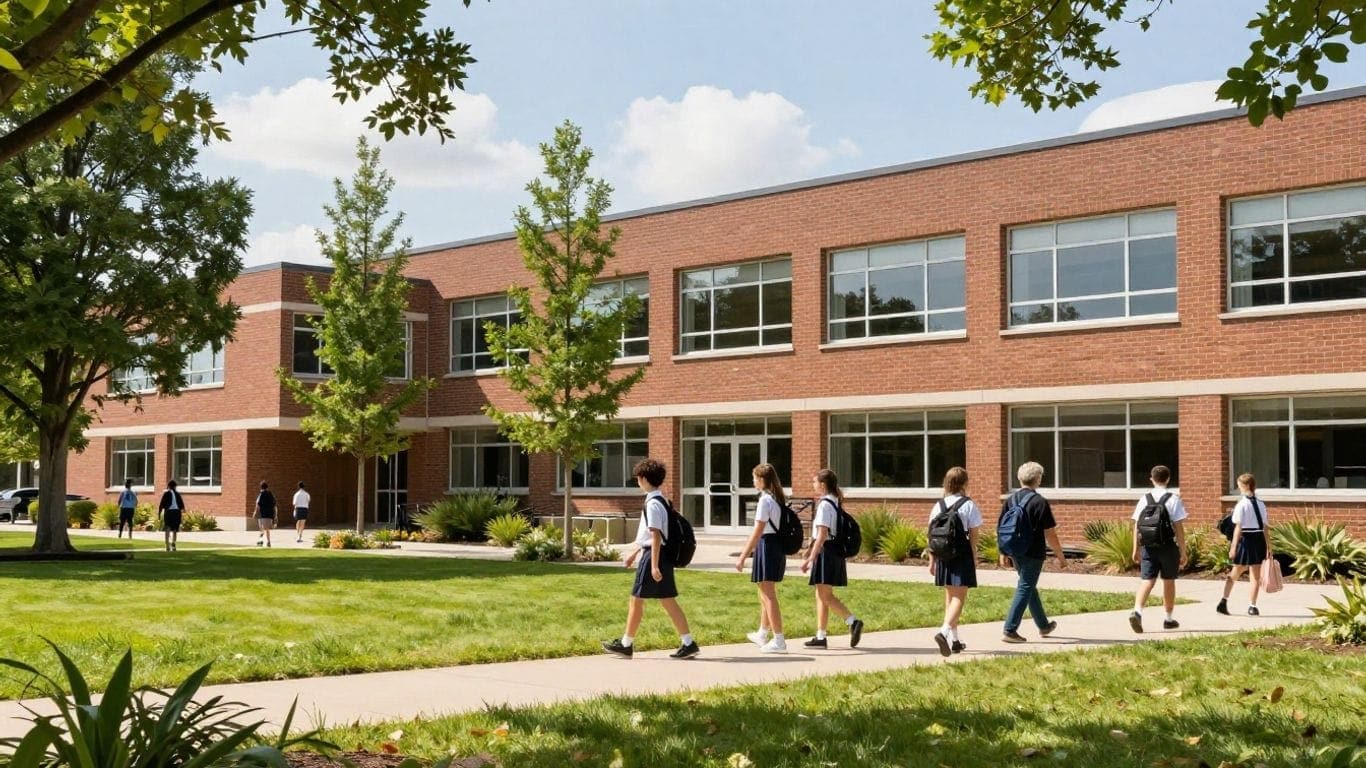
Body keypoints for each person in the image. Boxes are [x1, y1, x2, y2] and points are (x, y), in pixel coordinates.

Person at [602, 458, 700, 660]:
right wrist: (634, 554)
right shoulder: (661, 500)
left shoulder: (653, 503)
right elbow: (650, 536)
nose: (638, 481)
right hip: (656, 555)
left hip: (655, 557)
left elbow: (656, 536)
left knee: (637, 600)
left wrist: (654, 565)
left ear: (644, 479)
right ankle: (688, 642)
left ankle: (626, 644)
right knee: (666, 601)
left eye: (638, 478)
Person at [999, 461, 1067, 643]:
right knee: (1026, 587)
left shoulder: (1010, 500)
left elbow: (1001, 527)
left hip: (1015, 550)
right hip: (1033, 552)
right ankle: (1010, 629)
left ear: (1019, 478)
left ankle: (1043, 625)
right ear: (1038, 479)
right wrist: (1061, 556)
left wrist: (1003, 552)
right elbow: (1050, 533)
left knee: (1028, 585)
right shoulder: (1039, 502)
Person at [800, 469, 863, 649]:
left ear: (823, 484)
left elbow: (822, 534)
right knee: (822, 595)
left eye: (814, 482)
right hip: (833, 552)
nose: (813, 485)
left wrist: (810, 558)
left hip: (826, 553)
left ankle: (853, 621)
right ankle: (821, 636)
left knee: (824, 595)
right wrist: (810, 550)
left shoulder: (825, 504)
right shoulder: (834, 502)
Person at [928, 467, 981, 656]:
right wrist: (974, 554)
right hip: (961, 554)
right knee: (959, 596)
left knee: (950, 597)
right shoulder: (968, 505)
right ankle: (943, 632)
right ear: (965, 483)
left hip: (943, 555)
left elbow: (932, 535)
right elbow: (974, 534)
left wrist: (931, 559)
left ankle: (955, 640)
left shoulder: (939, 505)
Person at [736, 463, 788, 653]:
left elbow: (757, 531)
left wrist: (742, 556)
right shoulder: (776, 499)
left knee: (768, 596)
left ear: (761, 480)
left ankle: (779, 641)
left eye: (754, 478)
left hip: (767, 546)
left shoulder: (765, 501)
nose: (752, 481)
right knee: (764, 593)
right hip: (774, 546)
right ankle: (762, 633)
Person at [1129, 465, 1188, 633]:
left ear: (1151, 479)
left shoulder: (1144, 498)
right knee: (1168, 581)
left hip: (1148, 546)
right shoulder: (1173, 499)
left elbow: (1136, 526)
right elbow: (1178, 527)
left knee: (1147, 581)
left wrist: (1136, 549)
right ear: (1168, 479)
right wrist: (1183, 551)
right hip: (1167, 546)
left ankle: (1137, 611)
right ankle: (1168, 619)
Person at [1218, 472, 1273, 617]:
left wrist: (1233, 547)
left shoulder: (1242, 504)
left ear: (1246, 485)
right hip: (1257, 538)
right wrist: (1269, 546)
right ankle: (1250, 605)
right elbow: (1265, 527)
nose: (1239, 488)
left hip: (1247, 539)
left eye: (1239, 485)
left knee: (1240, 573)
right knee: (1251, 574)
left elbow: (1238, 528)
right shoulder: (1261, 504)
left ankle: (1227, 601)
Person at [158, 480, 186, 552]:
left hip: (169, 512)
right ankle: (173, 543)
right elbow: (181, 504)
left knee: (167, 528)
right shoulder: (177, 494)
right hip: (176, 512)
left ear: (169, 486)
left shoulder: (166, 494)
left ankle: (167, 545)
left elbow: (162, 504)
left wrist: (159, 513)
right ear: (174, 486)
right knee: (175, 529)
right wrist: (183, 511)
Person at [254, 481, 277, 547]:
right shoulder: (271, 495)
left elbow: (258, 504)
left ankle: (261, 541)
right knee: (267, 529)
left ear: (261, 487)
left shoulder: (261, 495)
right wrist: (275, 515)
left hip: (262, 514)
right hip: (270, 514)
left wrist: (255, 512)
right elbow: (275, 505)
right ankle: (268, 541)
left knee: (262, 528)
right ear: (267, 487)